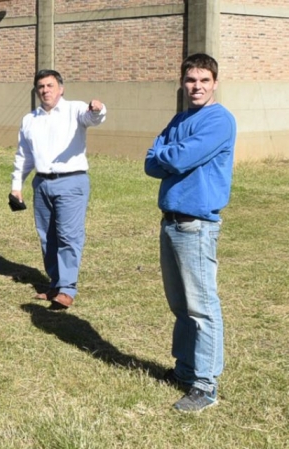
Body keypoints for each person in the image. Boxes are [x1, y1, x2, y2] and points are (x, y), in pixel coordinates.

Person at [145, 53, 236, 412]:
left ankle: (205, 385)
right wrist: (169, 154)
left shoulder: (219, 120)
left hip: (196, 225)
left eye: (203, 81)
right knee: (180, 306)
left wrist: (167, 153)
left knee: (202, 308)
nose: (196, 87)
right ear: (182, 83)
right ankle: (185, 370)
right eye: (190, 80)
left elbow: (175, 158)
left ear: (214, 83)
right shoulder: (179, 118)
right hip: (171, 221)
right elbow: (150, 162)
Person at [10, 69, 106, 309]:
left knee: (68, 236)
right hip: (42, 183)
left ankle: (67, 289)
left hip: (71, 182)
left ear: (61, 89)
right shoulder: (29, 119)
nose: (45, 90)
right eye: (41, 86)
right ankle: (55, 283)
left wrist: (98, 109)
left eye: (50, 85)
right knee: (47, 237)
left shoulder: (75, 110)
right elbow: (24, 156)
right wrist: (16, 185)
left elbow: (93, 118)